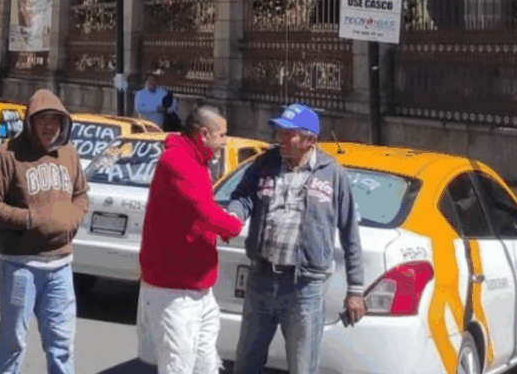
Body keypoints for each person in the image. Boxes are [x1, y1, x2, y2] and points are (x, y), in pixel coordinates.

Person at [226, 103, 365, 374]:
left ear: (309, 140)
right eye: (280, 132)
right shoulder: (264, 164)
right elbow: (242, 197)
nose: (281, 139)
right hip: (262, 280)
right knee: (246, 363)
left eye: (289, 134)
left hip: (305, 289)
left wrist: (356, 290)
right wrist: (235, 215)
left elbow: (350, 233)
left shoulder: (333, 173)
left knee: (302, 366)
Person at [0, 89, 89, 374]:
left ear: (64, 123)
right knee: (13, 341)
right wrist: (29, 219)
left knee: (62, 344)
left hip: (61, 266)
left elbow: (81, 194)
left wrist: (72, 218)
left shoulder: (69, 155)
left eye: (56, 120)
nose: (50, 126)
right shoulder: (8, 155)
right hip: (19, 265)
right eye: (43, 120)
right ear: (31, 123)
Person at [136, 105, 242, 374]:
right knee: (178, 366)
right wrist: (232, 225)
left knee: (205, 364)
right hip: (173, 290)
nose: (224, 142)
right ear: (204, 134)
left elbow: (197, 214)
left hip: (197, 287)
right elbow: (204, 210)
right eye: (222, 135)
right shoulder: (177, 161)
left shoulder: (196, 161)